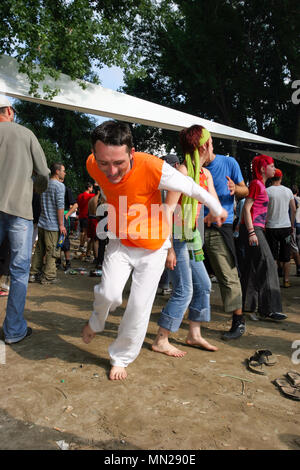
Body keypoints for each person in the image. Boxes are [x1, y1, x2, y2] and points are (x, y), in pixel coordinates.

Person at [81, 120, 227, 381]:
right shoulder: (93, 163)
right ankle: (96, 320)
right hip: (121, 241)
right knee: (111, 294)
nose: (111, 170)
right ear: (96, 156)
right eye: (105, 163)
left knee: (138, 306)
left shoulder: (154, 167)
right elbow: (109, 183)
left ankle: (120, 357)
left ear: (132, 153)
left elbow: (191, 187)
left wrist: (216, 208)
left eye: (119, 163)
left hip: (153, 247)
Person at [152, 126, 219, 357]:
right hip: (177, 238)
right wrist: (169, 248)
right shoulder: (180, 173)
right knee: (184, 290)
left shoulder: (204, 174)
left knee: (204, 286)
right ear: (204, 146)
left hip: (192, 237)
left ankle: (194, 334)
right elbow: (168, 210)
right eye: (211, 142)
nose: (214, 147)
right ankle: (161, 338)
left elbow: (213, 201)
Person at [0, 96, 49, 344]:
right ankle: (13, 331)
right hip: (19, 210)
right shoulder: (25, 134)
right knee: (19, 272)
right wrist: (34, 188)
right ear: (9, 110)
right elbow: (43, 173)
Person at [203, 137, 249, 340]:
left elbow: (245, 189)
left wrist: (235, 190)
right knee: (191, 276)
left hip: (220, 227)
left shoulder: (229, 163)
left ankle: (238, 321)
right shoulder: (191, 169)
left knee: (227, 275)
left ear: (206, 146)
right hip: (194, 228)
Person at [239, 155, 287, 321]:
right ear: (262, 168)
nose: (274, 169)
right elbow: (246, 207)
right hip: (253, 229)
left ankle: (248, 305)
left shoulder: (260, 185)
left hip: (254, 229)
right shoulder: (256, 184)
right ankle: (269, 309)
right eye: (272, 166)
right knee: (268, 265)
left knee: (253, 267)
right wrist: (252, 231)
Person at [29, 163, 67, 284]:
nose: (65, 173)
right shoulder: (60, 186)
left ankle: (33, 274)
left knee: (39, 249)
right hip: (53, 225)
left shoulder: (44, 184)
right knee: (52, 251)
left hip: (42, 222)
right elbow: (60, 206)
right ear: (57, 171)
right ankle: (49, 276)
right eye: (63, 170)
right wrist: (61, 224)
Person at [265, 169, 296, 288]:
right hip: (286, 227)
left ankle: (274, 281)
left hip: (271, 227)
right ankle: (286, 280)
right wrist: (292, 224)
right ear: (281, 178)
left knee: (273, 255)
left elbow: (263, 210)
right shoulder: (288, 191)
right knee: (286, 255)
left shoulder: (267, 191)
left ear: (271, 178)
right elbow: (293, 209)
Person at [157, 154, 180, 295]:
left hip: (159, 223)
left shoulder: (160, 181)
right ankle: (164, 285)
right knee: (168, 253)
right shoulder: (172, 182)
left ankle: (163, 284)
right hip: (168, 223)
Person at [77, 182, 95, 252]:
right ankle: (82, 246)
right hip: (86, 215)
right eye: (91, 187)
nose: (92, 189)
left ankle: (81, 245)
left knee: (82, 231)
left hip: (81, 215)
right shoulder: (90, 196)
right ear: (89, 188)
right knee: (85, 232)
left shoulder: (80, 196)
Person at [290, 185, 300, 276]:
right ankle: (299, 268)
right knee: (297, 246)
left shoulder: (290, 198)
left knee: (294, 245)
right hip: (296, 224)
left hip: (293, 224)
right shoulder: (297, 199)